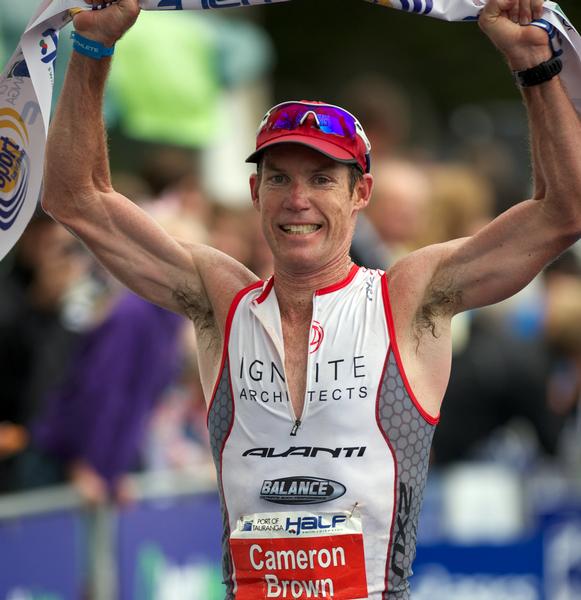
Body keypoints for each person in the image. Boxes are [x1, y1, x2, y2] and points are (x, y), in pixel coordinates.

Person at [41, 0, 581, 598]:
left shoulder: (410, 298)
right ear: (255, 191)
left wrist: (533, 63)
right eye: (279, 178)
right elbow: (75, 199)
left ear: (361, 193)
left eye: (322, 179)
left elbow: (563, 212)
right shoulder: (221, 301)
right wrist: (91, 49)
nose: (297, 199)